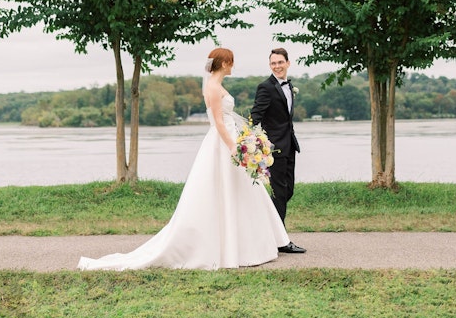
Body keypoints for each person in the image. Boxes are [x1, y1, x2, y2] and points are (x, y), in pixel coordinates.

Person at [77, 47, 288, 270]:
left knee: (236, 192)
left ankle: (240, 245)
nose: (233, 65)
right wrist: (234, 148)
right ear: (224, 62)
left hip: (227, 138)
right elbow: (217, 122)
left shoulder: (216, 85)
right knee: (222, 191)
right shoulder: (213, 87)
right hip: (222, 142)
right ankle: (227, 247)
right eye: (231, 61)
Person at [250, 47, 306, 254]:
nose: (277, 66)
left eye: (280, 62)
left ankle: (270, 234)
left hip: (290, 146)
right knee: (279, 193)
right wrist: (253, 143)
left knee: (287, 190)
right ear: (270, 65)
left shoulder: (288, 86)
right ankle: (280, 241)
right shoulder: (265, 87)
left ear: (288, 63)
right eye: (273, 63)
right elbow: (256, 115)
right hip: (274, 150)